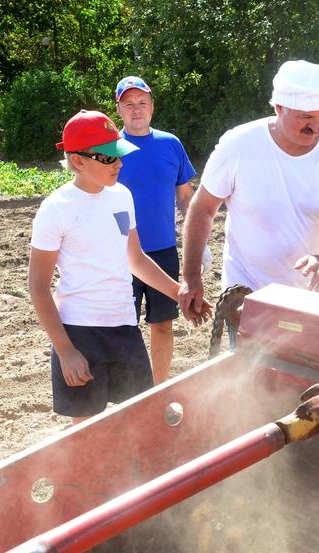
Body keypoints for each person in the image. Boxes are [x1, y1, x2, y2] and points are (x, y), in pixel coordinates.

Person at [28, 109, 211, 424]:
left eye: (119, 155)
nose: (119, 164)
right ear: (78, 161)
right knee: (85, 431)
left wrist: (179, 292)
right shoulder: (56, 209)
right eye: (109, 158)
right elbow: (38, 286)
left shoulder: (122, 196)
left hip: (124, 327)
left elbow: (135, 258)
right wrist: (65, 350)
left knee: (139, 421)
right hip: (79, 332)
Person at [179, 60, 319, 322]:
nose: (314, 127)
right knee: (252, 361)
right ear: (279, 107)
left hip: (312, 297)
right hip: (246, 293)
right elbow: (202, 208)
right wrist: (191, 278)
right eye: (305, 117)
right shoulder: (238, 145)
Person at [115, 76, 197, 384]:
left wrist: (197, 245)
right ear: (119, 108)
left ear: (152, 106)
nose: (136, 110)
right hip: (121, 254)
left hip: (163, 250)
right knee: (124, 328)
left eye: (142, 103)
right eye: (129, 104)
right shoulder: (110, 148)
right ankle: (128, 395)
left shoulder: (170, 144)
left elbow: (186, 197)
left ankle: (159, 388)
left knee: (163, 324)